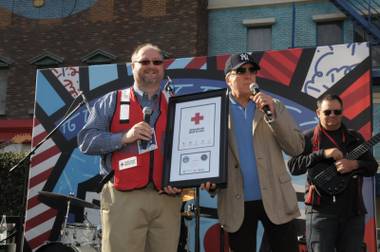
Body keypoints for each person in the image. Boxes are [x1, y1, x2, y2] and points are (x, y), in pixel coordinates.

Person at [77, 43, 182, 252]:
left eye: (157, 62)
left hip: (167, 199)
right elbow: (86, 140)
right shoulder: (112, 100)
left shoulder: (177, 104)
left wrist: (180, 180)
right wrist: (124, 137)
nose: (151, 66)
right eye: (144, 61)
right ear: (132, 66)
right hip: (122, 196)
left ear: (163, 67)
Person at [202, 52, 305, 252]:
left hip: (276, 198)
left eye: (252, 70)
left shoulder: (272, 106)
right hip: (236, 201)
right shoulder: (215, 111)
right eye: (241, 71)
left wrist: (273, 115)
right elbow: (206, 152)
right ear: (228, 79)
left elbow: (296, 147)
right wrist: (209, 179)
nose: (248, 75)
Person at [287, 94, 378, 252]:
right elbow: (294, 167)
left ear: (342, 112)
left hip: (352, 213)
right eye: (327, 112)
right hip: (320, 213)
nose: (333, 116)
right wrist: (322, 154)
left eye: (337, 111)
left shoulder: (354, 138)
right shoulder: (308, 138)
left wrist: (354, 164)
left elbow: (372, 167)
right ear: (318, 113)